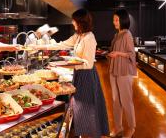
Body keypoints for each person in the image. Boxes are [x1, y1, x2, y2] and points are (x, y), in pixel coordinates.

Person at [58, 9, 109, 137]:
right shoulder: (79, 36)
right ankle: (83, 133)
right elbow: (64, 44)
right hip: (79, 74)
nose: (72, 22)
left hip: (87, 76)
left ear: (80, 22)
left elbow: (88, 64)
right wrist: (39, 46)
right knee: (79, 107)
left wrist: (69, 64)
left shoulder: (89, 37)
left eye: (74, 20)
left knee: (87, 108)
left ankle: (92, 134)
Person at [108, 9, 137, 138]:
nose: (114, 22)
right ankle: (118, 127)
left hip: (124, 71)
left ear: (123, 20)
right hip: (114, 70)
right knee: (115, 100)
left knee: (126, 100)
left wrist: (118, 53)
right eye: (114, 19)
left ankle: (131, 128)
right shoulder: (117, 35)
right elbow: (114, 51)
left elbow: (132, 54)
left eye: (116, 20)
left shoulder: (127, 35)